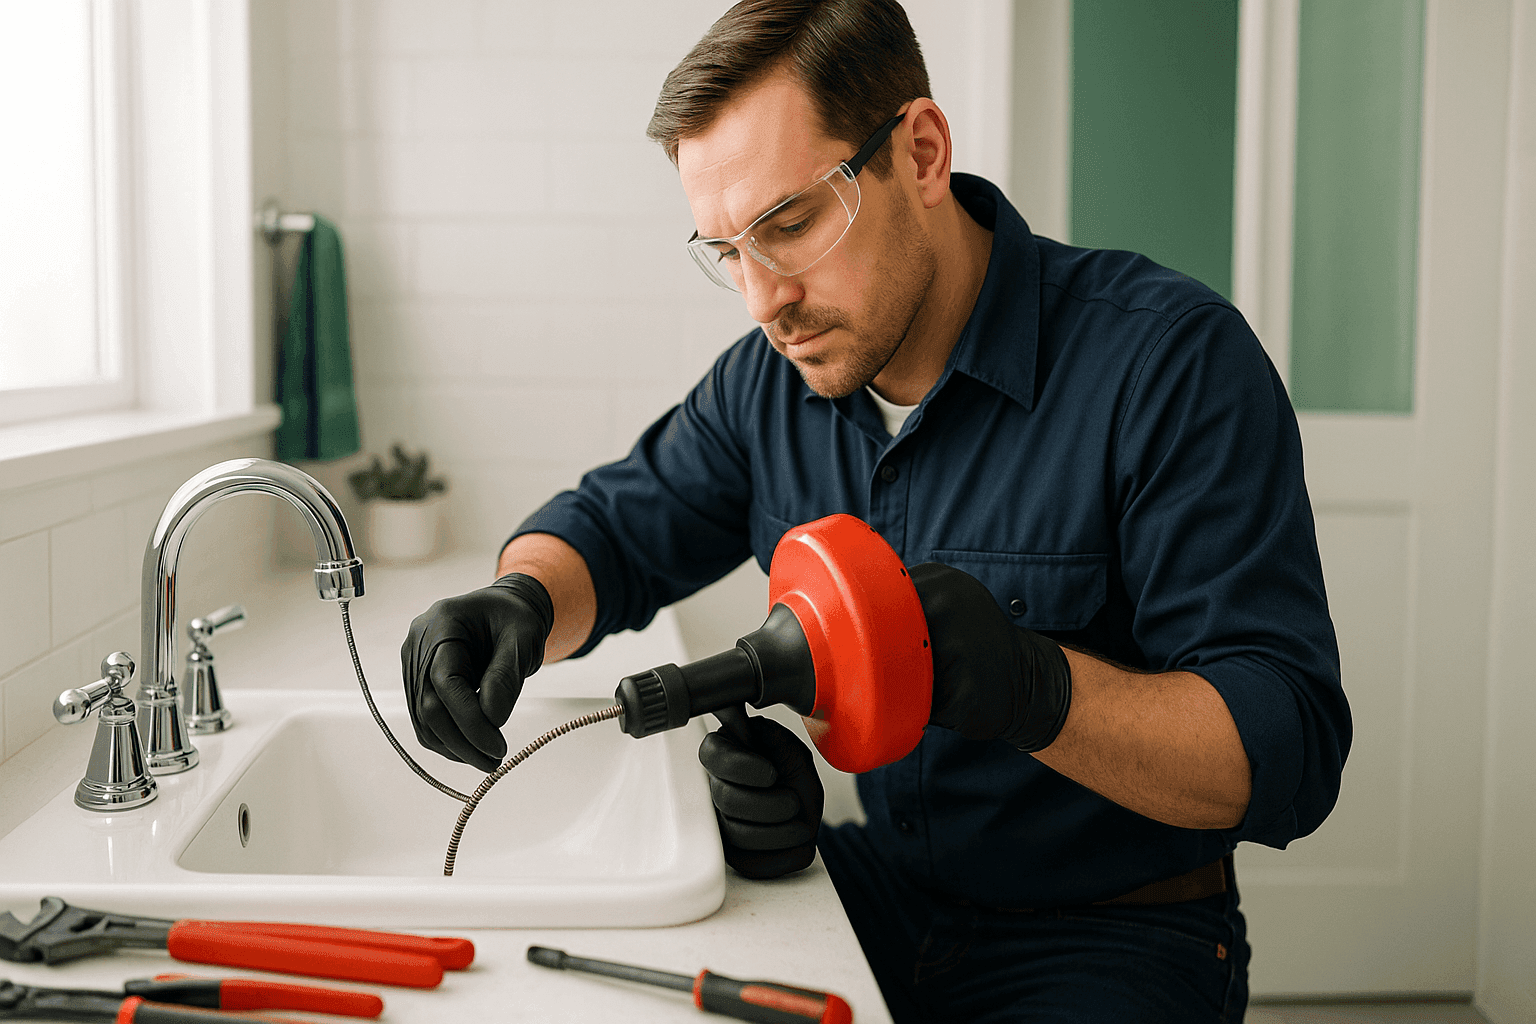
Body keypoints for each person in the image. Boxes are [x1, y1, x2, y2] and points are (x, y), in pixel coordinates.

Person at [399, 1, 1350, 1020]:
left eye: (791, 224)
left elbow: (1287, 750)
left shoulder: (1168, 365)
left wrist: (1035, 688)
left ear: (923, 153)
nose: (763, 299)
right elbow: (616, 530)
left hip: (1114, 935)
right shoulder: (767, 386)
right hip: (882, 890)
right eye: (726, 251)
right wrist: (520, 601)